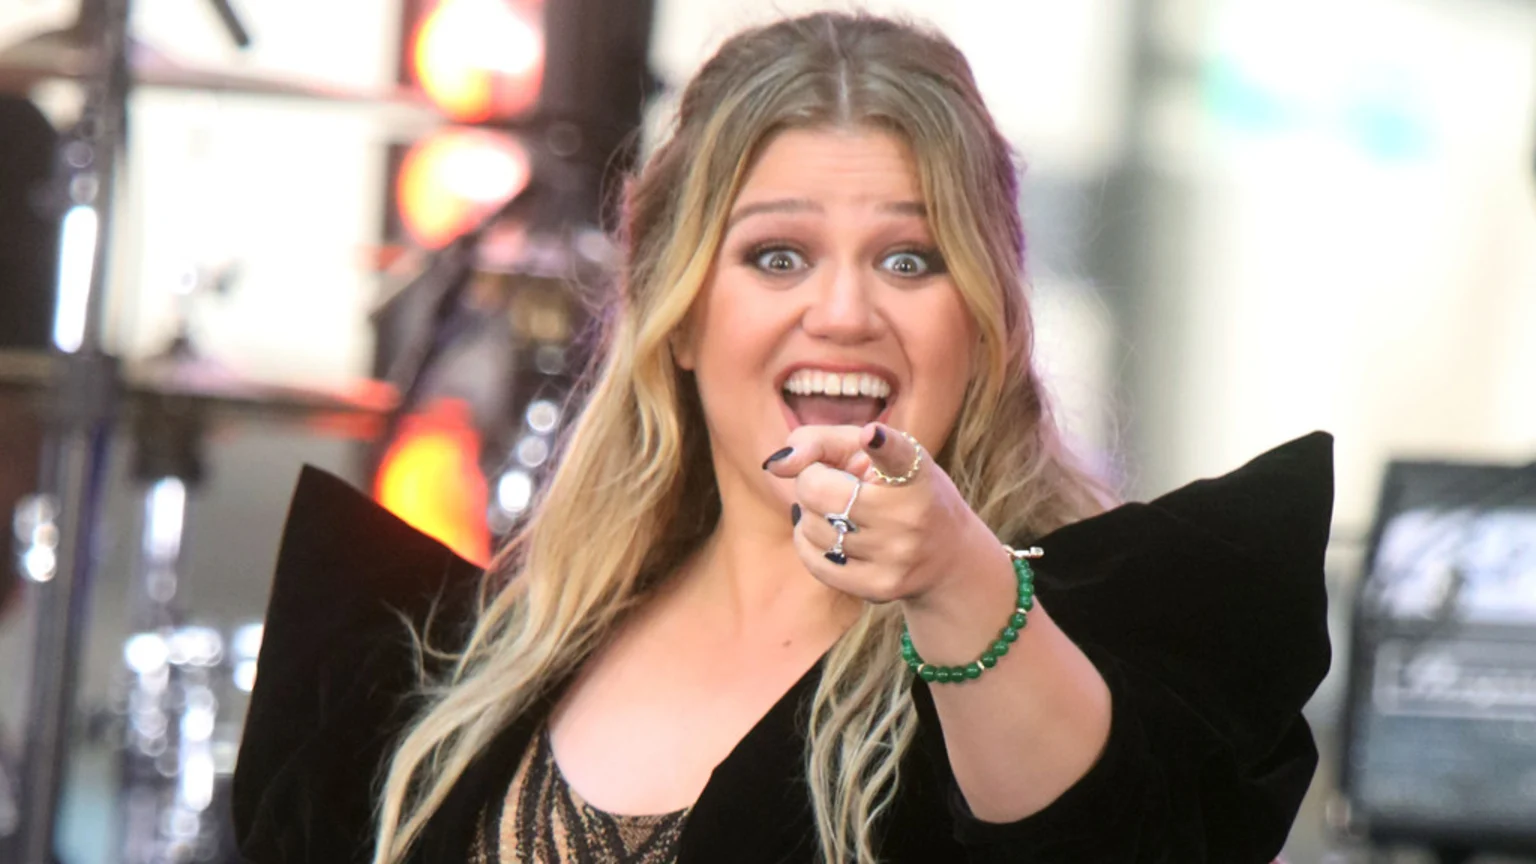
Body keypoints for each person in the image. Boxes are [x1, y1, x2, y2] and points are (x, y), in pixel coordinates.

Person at [232, 12, 1332, 864]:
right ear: (682, 315)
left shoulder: (1092, 636)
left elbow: (1112, 846)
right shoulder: (487, 659)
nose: (845, 313)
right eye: (777, 257)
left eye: (910, 260)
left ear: (987, 323)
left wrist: (954, 579)